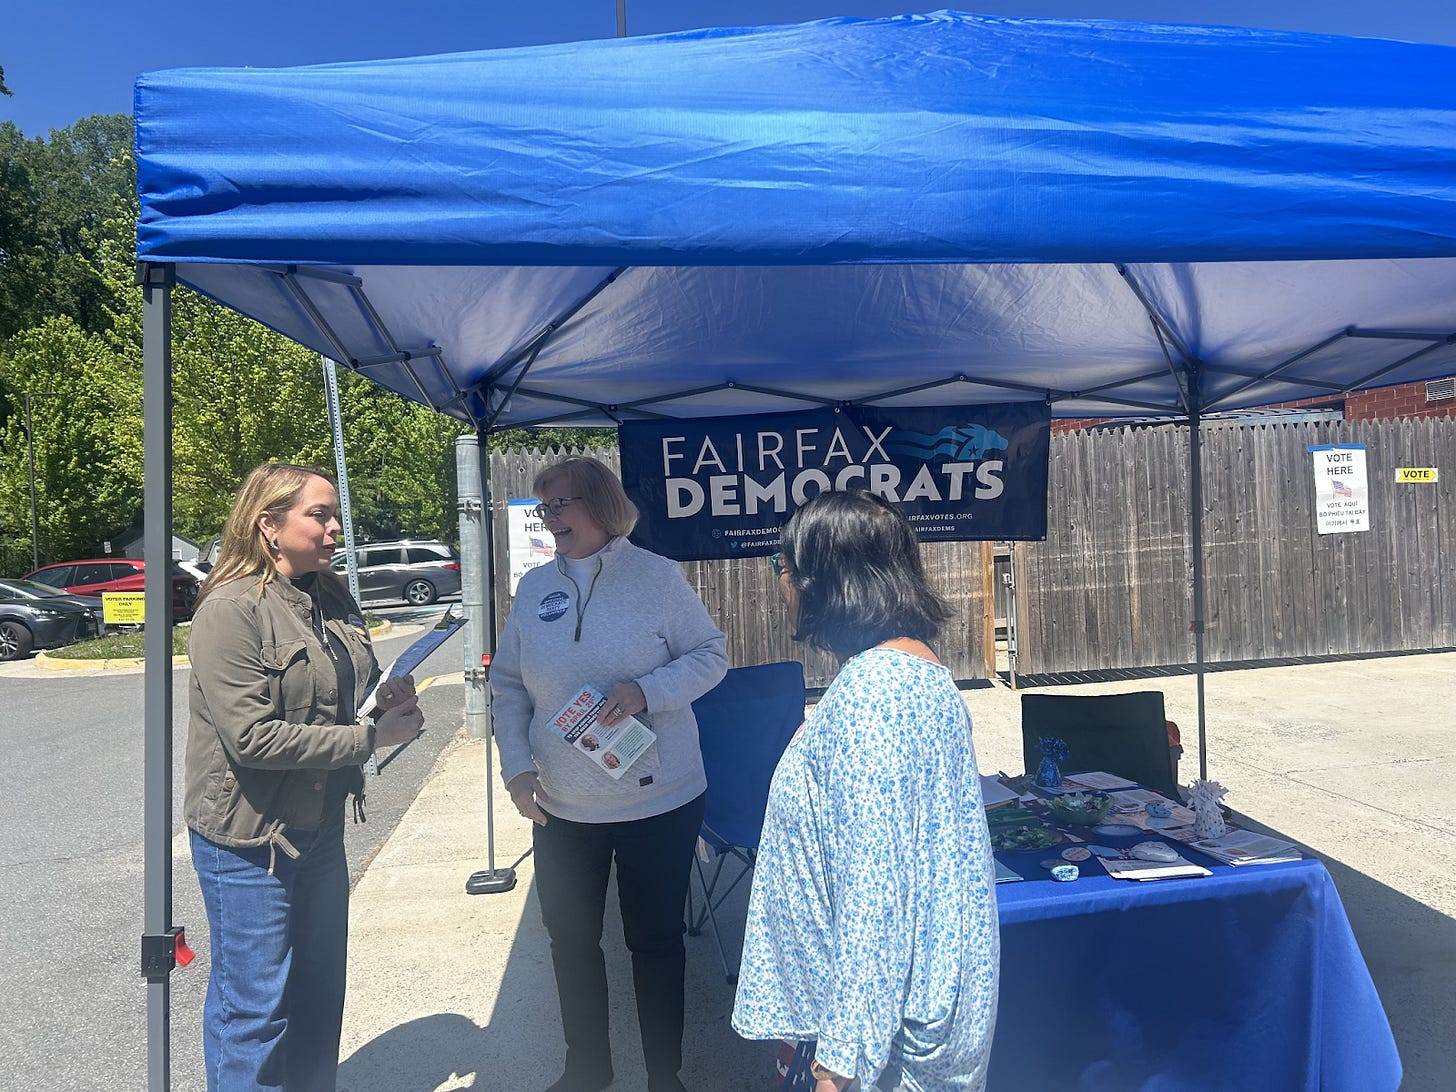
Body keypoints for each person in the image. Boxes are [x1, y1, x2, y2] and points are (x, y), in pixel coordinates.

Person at [732, 490, 1000, 1092]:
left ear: (826, 580)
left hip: (874, 1050)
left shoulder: (876, 697)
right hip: (896, 1018)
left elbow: (873, 890)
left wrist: (838, 1064)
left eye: (784, 566)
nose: (780, 584)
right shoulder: (912, 671)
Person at [185, 462, 424, 1092]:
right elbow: (253, 738)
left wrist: (380, 701)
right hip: (251, 840)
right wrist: (371, 739)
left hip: (319, 828)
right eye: (319, 515)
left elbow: (333, 694)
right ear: (268, 524)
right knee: (255, 1010)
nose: (335, 527)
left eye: (334, 514)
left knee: (319, 993)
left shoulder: (331, 593)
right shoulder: (229, 610)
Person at [492, 456, 728, 1092]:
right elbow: (508, 686)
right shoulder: (533, 589)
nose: (550, 518)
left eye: (561, 504)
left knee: (654, 943)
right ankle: (586, 1070)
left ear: (600, 505)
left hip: (661, 802)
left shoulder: (657, 578)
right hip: (563, 807)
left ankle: (663, 1078)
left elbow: (712, 655)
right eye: (544, 507)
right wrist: (516, 769)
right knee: (570, 943)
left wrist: (648, 690)